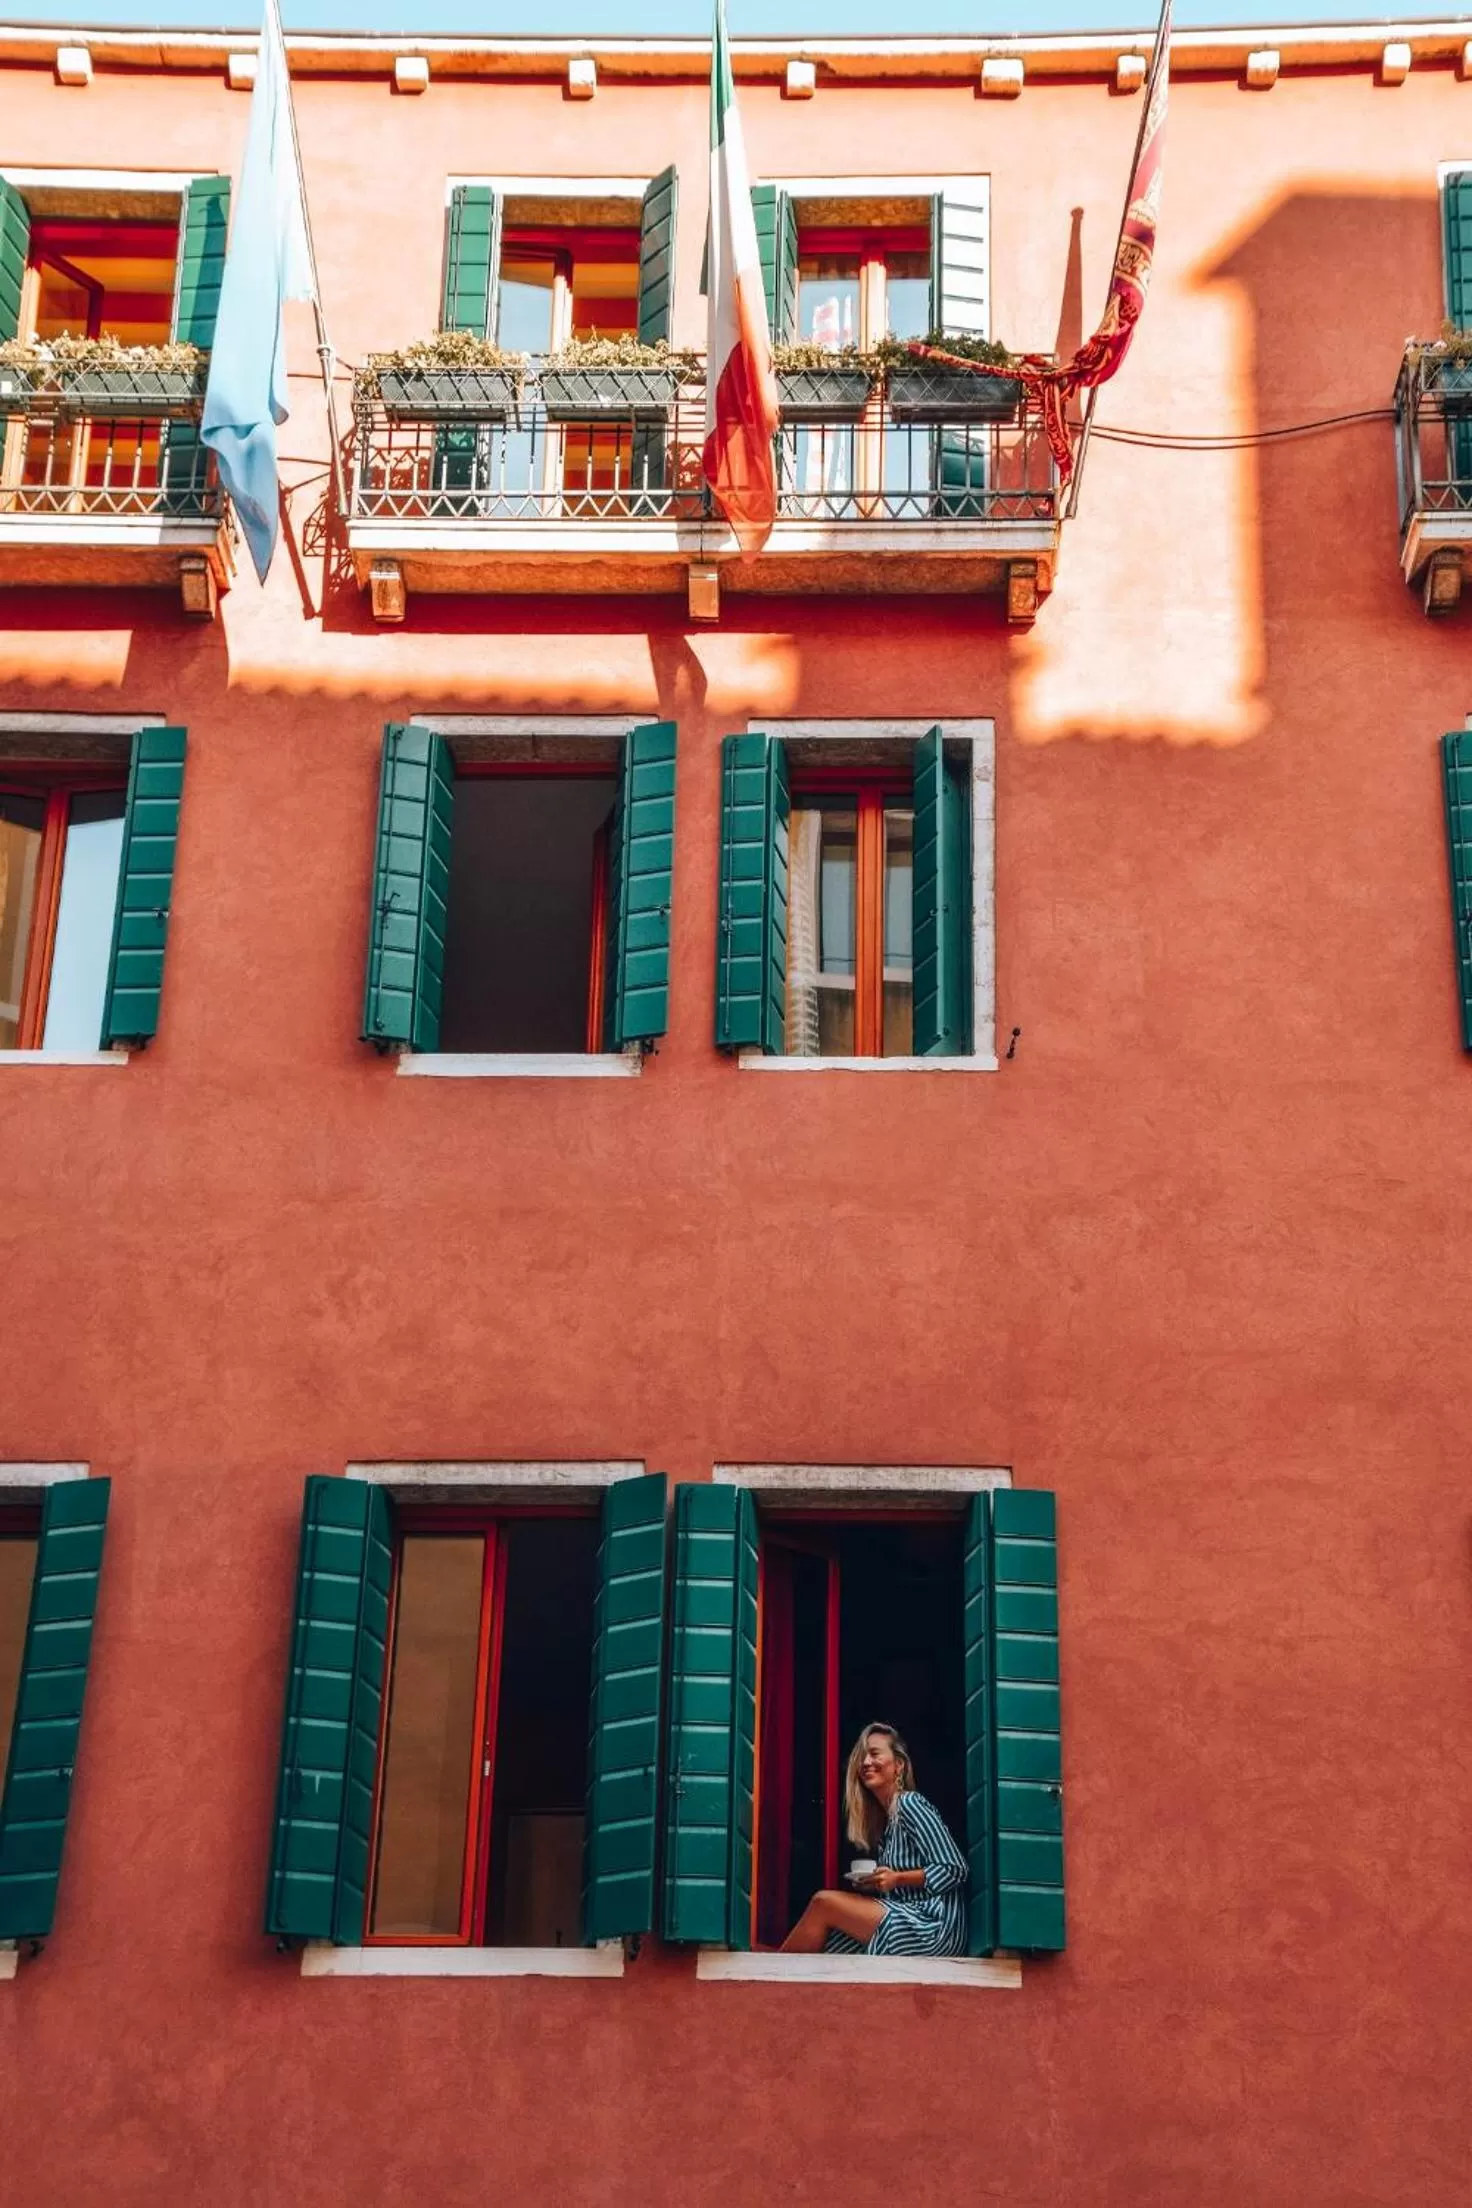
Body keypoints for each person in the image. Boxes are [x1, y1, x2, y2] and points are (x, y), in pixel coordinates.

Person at [780, 1720, 968, 1956]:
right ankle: (782, 1974)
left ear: (898, 1765)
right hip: (909, 1919)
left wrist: (897, 1878)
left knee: (823, 1903)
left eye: (875, 1754)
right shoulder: (888, 1825)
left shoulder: (910, 1803)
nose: (866, 1762)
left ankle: (769, 1976)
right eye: (862, 1756)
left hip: (934, 1927)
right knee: (833, 1943)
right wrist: (875, 1884)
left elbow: (955, 1869)